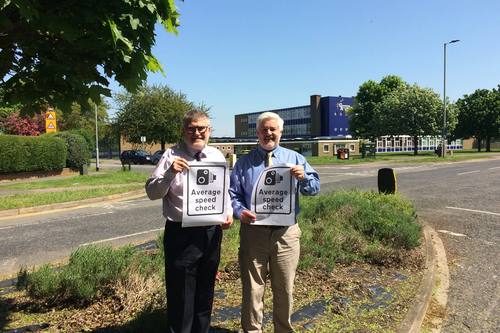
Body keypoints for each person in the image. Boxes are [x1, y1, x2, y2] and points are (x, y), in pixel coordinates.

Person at [229, 112, 320, 333]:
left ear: (281, 132)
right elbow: (233, 195)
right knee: (252, 289)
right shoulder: (244, 163)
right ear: (257, 133)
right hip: (254, 234)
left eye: (273, 129)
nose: (268, 133)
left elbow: (314, 188)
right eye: (264, 129)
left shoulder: (296, 159)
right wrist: (240, 212)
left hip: (285, 233)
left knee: (285, 288)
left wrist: (304, 178)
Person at [145, 109, 233, 333]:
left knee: (205, 292)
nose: (197, 133)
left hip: (211, 233)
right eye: (191, 129)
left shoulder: (216, 156)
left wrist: (228, 212)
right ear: (184, 131)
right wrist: (169, 174)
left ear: (208, 130)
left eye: (201, 128)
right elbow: (152, 192)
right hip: (181, 234)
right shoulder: (170, 155)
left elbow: (224, 191)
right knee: (181, 296)